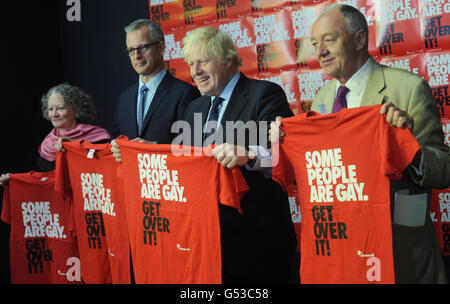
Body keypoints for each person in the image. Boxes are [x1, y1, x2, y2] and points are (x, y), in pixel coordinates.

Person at [270, 3, 450, 283]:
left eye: (330, 39)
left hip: (398, 248)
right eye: (315, 43)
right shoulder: (321, 99)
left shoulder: (408, 88)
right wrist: (279, 145)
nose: (320, 52)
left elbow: (444, 169)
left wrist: (408, 147)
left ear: (359, 39)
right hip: (342, 251)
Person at [181, 26, 297, 283]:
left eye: (203, 61)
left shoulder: (264, 93)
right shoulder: (193, 108)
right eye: (191, 64)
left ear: (229, 58)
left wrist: (249, 154)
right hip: (210, 246)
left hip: (258, 246)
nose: (195, 71)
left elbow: (285, 156)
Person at [110, 19, 201, 162]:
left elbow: (193, 147)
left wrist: (156, 148)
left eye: (143, 48)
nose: (136, 56)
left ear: (161, 47)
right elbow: (115, 138)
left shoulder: (185, 93)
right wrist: (115, 146)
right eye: (131, 50)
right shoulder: (124, 98)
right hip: (132, 181)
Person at [0, 83, 110, 186]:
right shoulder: (46, 146)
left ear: (77, 110)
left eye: (60, 108)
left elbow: (105, 169)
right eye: (50, 109)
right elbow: (40, 181)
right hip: (58, 205)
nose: (54, 114)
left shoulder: (98, 138)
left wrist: (76, 147)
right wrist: (14, 181)